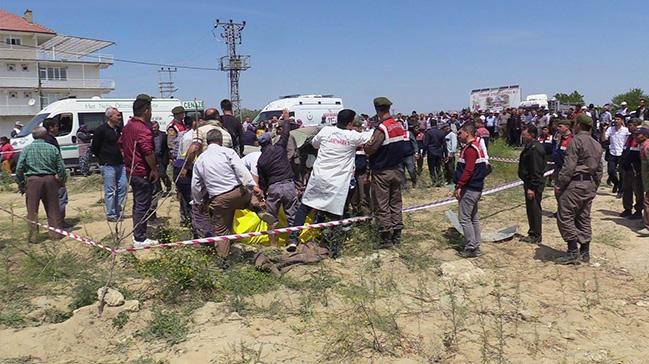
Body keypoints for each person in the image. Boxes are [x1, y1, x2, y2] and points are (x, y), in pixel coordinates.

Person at [291, 109, 371, 253]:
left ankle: (293, 238)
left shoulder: (326, 131)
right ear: (350, 123)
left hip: (319, 177)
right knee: (335, 215)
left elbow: (315, 144)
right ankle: (334, 248)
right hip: (337, 182)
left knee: (305, 206)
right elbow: (370, 136)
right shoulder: (353, 136)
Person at [191, 129, 259, 257]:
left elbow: (196, 185)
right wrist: (253, 186)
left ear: (207, 142)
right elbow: (241, 170)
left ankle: (223, 260)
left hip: (219, 200)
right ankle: (258, 209)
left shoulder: (200, 159)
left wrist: (199, 202)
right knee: (251, 197)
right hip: (237, 193)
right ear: (221, 141)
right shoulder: (228, 152)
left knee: (222, 231)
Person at [555, 115, 603, 264]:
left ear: (579, 125)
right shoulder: (596, 144)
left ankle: (572, 251)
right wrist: (595, 185)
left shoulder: (576, 141)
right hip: (589, 184)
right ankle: (585, 251)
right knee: (583, 217)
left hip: (575, 184)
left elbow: (569, 166)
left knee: (565, 216)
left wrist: (560, 184)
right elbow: (600, 169)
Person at [364, 97, 410, 248]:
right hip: (397, 169)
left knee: (382, 204)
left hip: (382, 171)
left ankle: (386, 238)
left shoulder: (382, 128)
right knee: (396, 202)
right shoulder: (398, 125)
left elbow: (370, 149)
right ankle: (397, 234)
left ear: (377, 110)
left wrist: (366, 146)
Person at [119, 94, 160, 247]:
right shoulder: (142, 129)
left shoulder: (128, 126)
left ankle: (139, 234)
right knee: (143, 204)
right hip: (142, 172)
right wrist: (154, 169)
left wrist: (129, 159)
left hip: (131, 171)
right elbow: (147, 151)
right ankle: (140, 238)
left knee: (138, 204)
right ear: (146, 111)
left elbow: (121, 144)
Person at [15, 126, 67, 243]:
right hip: (50, 179)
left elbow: (19, 168)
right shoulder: (52, 149)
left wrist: (21, 183)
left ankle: (33, 237)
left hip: (33, 180)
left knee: (32, 209)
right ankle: (56, 234)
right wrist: (62, 181)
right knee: (53, 208)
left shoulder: (27, 149)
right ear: (45, 135)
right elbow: (61, 168)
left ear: (33, 136)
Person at [256, 115, 299, 231]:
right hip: (288, 185)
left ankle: (273, 244)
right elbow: (286, 133)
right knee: (292, 216)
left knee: (271, 219)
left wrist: (263, 196)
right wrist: (286, 119)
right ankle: (293, 241)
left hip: (273, 188)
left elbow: (262, 181)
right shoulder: (279, 148)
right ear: (270, 140)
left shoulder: (261, 160)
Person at [453, 124, 489, 258]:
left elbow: (468, 170)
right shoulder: (474, 147)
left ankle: (471, 247)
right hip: (475, 188)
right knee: (473, 218)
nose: (458, 136)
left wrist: (459, 186)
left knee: (464, 219)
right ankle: (475, 245)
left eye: (460, 133)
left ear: (467, 133)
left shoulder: (470, 150)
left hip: (470, 188)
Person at [91, 107, 127, 222]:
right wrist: (103, 158)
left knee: (123, 187)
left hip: (120, 163)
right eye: (117, 115)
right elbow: (94, 148)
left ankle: (117, 209)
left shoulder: (119, 129)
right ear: (110, 117)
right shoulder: (101, 130)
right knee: (110, 190)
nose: (119, 117)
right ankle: (111, 214)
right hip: (108, 165)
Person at [518, 125, 546, 244]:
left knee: (534, 209)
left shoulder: (534, 149)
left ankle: (535, 234)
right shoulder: (530, 147)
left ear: (531, 135)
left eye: (524, 135)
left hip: (533, 184)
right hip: (529, 182)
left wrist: (531, 188)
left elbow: (535, 170)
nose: (523, 137)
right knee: (530, 208)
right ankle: (533, 231)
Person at [43, 118, 69, 226]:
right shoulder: (50, 141)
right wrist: (59, 174)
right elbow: (55, 159)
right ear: (51, 128)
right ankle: (59, 222)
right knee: (61, 197)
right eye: (56, 126)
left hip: (47, 174)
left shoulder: (46, 139)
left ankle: (56, 222)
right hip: (54, 174)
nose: (58, 128)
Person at [619, 119, 643, 219]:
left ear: (637, 126)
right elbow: (625, 151)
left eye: (631, 125)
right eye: (628, 125)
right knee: (626, 189)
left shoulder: (641, 138)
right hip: (626, 168)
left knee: (637, 190)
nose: (629, 127)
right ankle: (627, 208)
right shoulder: (628, 137)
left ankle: (638, 211)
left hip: (635, 169)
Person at [604, 114, 630, 198]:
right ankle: (616, 183)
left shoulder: (625, 130)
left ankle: (621, 190)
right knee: (611, 171)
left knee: (622, 173)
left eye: (618, 119)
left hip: (622, 153)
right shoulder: (610, 129)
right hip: (612, 152)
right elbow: (604, 138)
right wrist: (603, 130)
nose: (616, 121)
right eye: (615, 119)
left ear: (622, 120)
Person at [423, 120, 447, 186]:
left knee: (431, 168)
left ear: (430, 124)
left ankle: (434, 181)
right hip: (439, 152)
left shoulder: (428, 132)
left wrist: (423, 153)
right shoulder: (441, 132)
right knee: (438, 167)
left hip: (431, 152)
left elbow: (426, 144)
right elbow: (444, 144)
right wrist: (446, 154)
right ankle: (439, 181)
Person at [637, 127, 649, 234]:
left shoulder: (647, 146)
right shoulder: (643, 146)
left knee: (647, 202)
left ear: (645, 136)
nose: (636, 136)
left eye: (639, 134)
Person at [402, 118, 418, 188]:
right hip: (399, 156)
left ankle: (414, 181)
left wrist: (416, 152)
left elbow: (414, 143)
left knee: (411, 170)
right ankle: (404, 185)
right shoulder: (395, 134)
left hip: (408, 156)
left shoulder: (408, 133)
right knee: (401, 172)